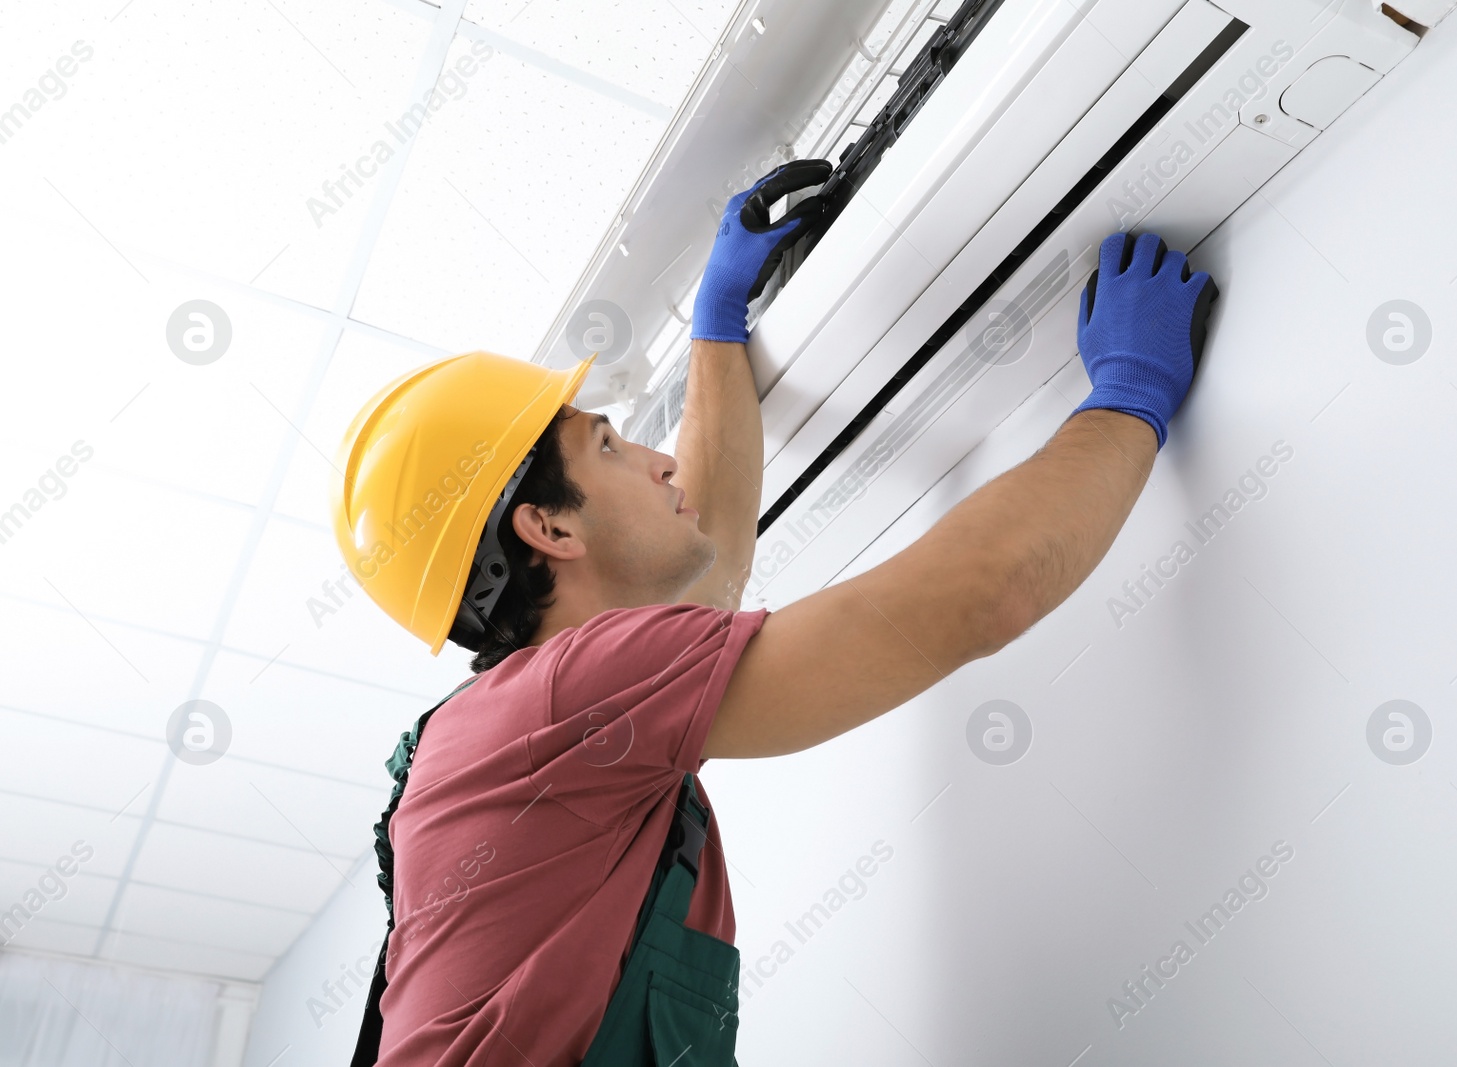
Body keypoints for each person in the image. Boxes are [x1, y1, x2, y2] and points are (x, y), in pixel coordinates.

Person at [330, 159, 1218, 1067]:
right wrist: (1128, 397)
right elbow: (979, 593)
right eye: (608, 443)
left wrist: (718, 326)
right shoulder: (568, 694)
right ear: (548, 526)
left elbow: (709, 559)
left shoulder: (534, 721)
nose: (657, 460)